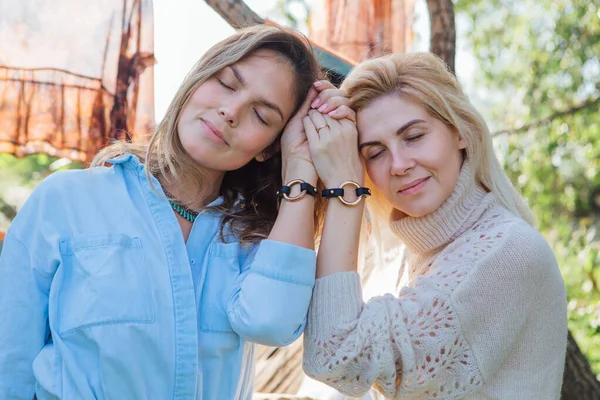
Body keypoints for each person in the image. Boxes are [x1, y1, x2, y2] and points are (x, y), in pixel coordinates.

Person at [0, 25, 328, 399]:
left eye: (262, 116)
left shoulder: (262, 238)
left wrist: (301, 165)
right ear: (196, 80)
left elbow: (272, 323)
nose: (231, 111)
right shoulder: (63, 201)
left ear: (268, 148)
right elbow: (10, 366)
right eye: (226, 83)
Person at [301, 52, 568, 399]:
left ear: (459, 131)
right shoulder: (410, 258)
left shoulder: (504, 252)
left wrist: (345, 190)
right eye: (375, 152)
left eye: (413, 136)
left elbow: (334, 356)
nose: (398, 164)